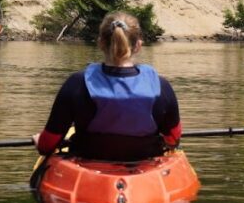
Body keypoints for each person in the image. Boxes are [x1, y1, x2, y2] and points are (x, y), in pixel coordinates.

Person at [34, 12, 180, 162]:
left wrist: (40, 141)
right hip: (145, 173)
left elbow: (48, 145)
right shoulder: (161, 86)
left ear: (101, 43)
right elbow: (173, 139)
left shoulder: (76, 84)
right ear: (138, 45)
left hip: (87, 169)